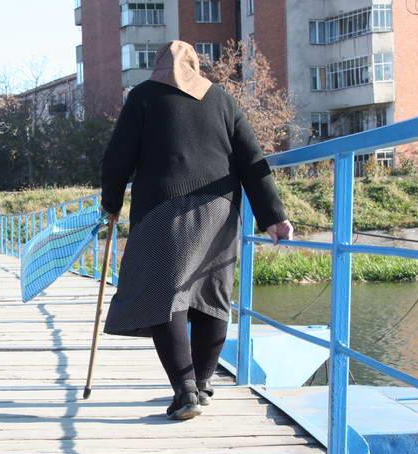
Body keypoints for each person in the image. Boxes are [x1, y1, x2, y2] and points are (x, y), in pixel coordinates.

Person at [100, 41, 294, 421]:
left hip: (162, 209)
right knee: (211, 294)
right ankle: (202, 385)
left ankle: (185, 390)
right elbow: (252, 160)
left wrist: (111, 203)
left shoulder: (143, 97)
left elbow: (117, 158)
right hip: (220, 210)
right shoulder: (222, 99)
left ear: (158, 66)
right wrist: (273, 215)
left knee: (164, 297)